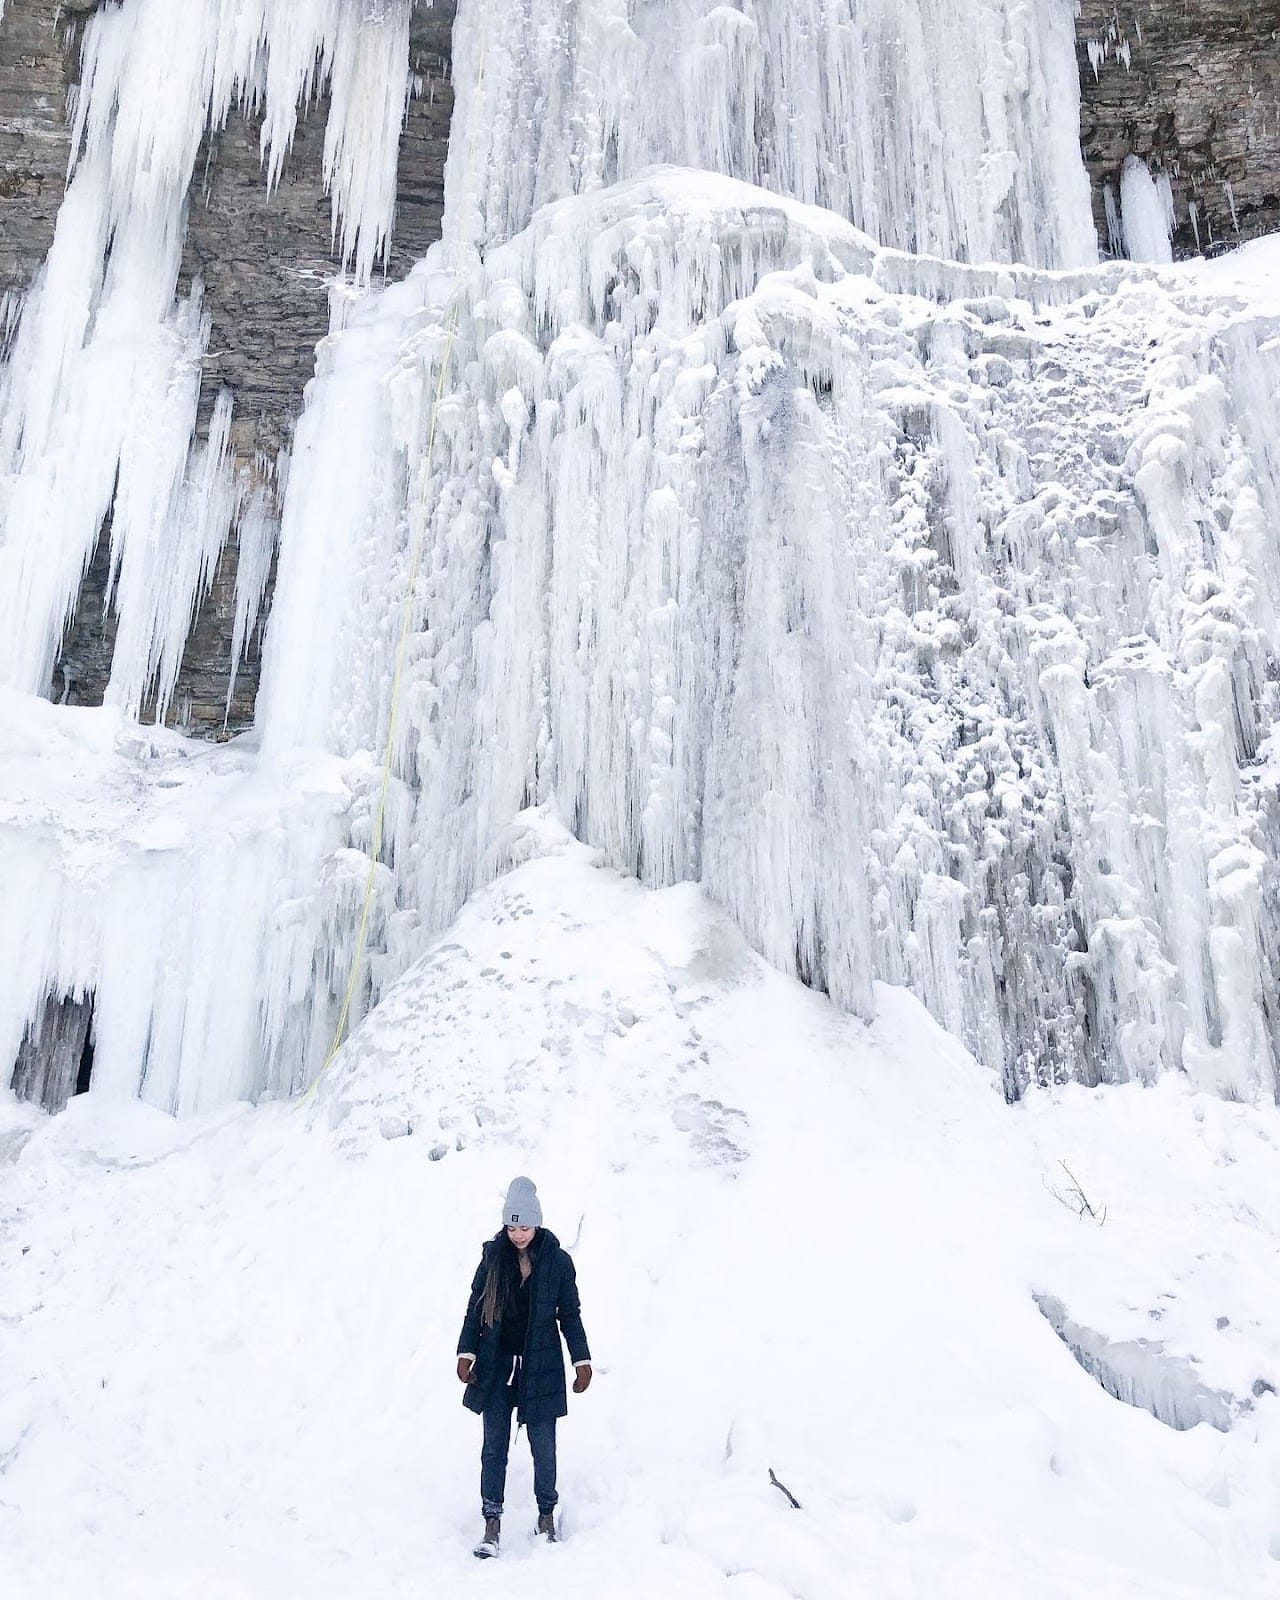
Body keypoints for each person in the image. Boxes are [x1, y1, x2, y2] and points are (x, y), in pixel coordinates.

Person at [456, 1176, 592, 1558]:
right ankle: (491, 1522)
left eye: (525, 1227)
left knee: (543, 1447)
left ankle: (546, 1515)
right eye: (512, 1227)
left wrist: (580, 1359)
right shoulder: (492, 1258)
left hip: (541, 1365)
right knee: (494, 1447)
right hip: (497, 1365)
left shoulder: (557, 1262)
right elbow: (474, 1308)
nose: (517, 1235)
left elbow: (570, 1314)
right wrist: (466, 1352)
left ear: (537, 1224)